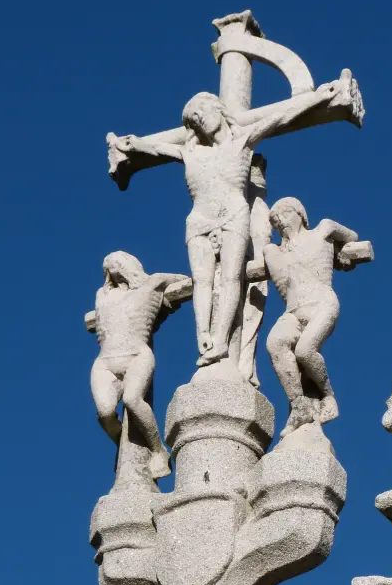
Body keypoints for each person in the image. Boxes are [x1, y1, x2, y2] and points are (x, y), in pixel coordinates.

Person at [108, 75, 353, 368]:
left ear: (217, 110)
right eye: (193, 120)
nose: (198, 121)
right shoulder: (190, 151)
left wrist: (320, 98)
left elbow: (280, 117)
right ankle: (204, 336)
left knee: (230, 279)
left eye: (200, 112)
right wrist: (129, 145)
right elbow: (156, 148)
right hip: (199, 220)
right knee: (202, 281)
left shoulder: (243, 142)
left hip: (234, 216)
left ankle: (222, 341)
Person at [248, 197, 372, 436]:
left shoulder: (322, 230)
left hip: (321, 303)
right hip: (292, 312)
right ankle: (299, 406)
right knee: (275, 343)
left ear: (300, 214)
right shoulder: (276, 252)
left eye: (285, 214)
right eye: (275, 222)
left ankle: (329, 398)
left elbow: (353, 237)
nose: (280, 222)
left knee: (305, 350)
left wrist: (340, 253)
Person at [88, 251, 189, 479]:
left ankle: (157, 450)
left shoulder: (153, 282)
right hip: (105, 361)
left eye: (116, 263)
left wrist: (162, 301)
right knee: (105, 413)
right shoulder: (101, 296)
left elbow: (187, 282)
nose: (112, 269)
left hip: (137, 355)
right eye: (108, 267)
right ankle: (121, 446)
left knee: (132, 400)